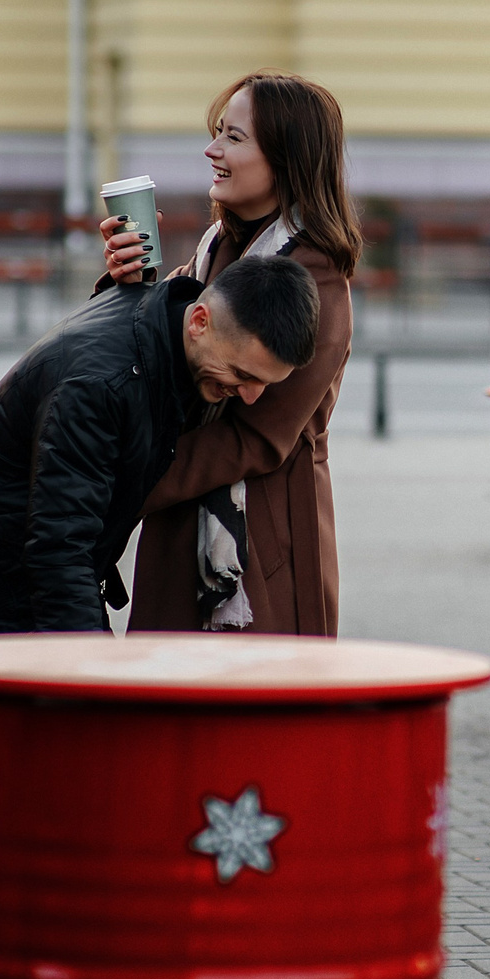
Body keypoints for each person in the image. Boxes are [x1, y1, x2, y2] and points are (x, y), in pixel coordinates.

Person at [0, 251, 320, 635]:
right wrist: (87, 659)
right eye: (241, 374)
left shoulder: (163, 324)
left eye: (265, 384)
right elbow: (61, 543)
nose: (250, 397)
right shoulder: (102, 387)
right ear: (200, 321)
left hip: (38, 548)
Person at [98, 69, 359, 635]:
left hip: (258, 542)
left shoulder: (314, 278)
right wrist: (130, 283)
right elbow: (165, 345)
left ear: (287, 160)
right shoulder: (219, 243)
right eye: (218, 132)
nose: (212, 150)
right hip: (181, 507)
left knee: (245, 689)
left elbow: (257, 437)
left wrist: (118, 486)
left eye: (234, 138)